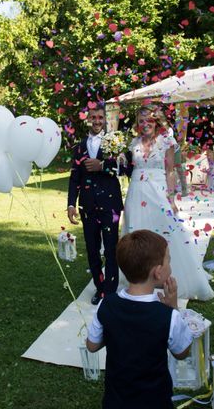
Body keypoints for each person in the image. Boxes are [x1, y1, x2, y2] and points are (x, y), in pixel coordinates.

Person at [86, 229, 193, 409]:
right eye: (169, 260)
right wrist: (173, 308)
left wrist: (116, 330)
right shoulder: (167, 315)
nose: (170, 265)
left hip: (116, 402)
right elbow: (182, 352)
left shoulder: (107, 304)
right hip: (155, 401)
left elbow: (92, 345)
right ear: (158, 272)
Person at [123, 104, 214, 300]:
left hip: (158, 192)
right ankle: (140, 277)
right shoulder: (133, 143)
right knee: (137, 233)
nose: (145, 124)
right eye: (141, 121)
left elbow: (170, 171)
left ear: (156, 121)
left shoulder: (166, 141)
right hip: (136, 193)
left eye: (148, 120)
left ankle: (168, 276)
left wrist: (171, 198)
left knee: (164, 232)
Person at [67, 103, 123, 305]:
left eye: (100, 117)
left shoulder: (114, 141)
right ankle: (100, 288)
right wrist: (71, 203)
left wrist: (102, 166)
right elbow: (74, 177)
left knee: (110, 248)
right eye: (94, 117)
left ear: (105, 119)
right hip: (87, 205)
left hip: (110, 205)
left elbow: (124, 168)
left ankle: (111, 290)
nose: (97, 121)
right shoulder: (80, 145)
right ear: (88, 118)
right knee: (92, 249)